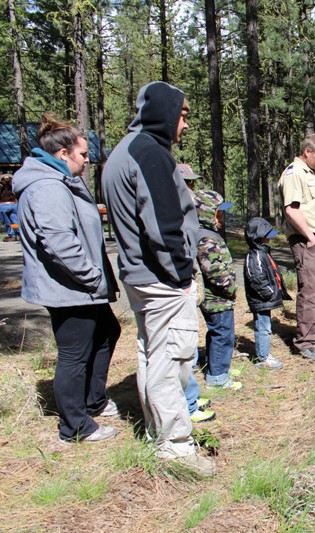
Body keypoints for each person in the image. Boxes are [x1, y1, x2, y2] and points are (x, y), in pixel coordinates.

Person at [102, 81, 215, 476]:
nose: (185, 124)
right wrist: (182, 276)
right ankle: (176, 449)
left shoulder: (123, 152)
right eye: (183, 115)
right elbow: (164, 228)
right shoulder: (149, 154)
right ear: (165, 112)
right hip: (161, 280)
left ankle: (157, 433)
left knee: (153, 355)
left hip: (142, 275)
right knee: (174, 359)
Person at [13, 113, 120, 443]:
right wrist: (91, 277)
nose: (88, 161)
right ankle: (74, 426)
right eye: (84, 155)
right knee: (74, 353)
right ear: (63, 154)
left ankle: (92, 401)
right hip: (69, 288)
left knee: (107, 331)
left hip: (79, 287)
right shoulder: (46, 186)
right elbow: (58, 242)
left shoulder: (60, 181)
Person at [277, 133, 315, 362]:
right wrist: (310, 237)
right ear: (307, 151)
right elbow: (291, 210)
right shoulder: (294, 173)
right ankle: (304, 342)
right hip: (306, 240)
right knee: (310, 290)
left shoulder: (313, 173)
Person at [176, 163, 215, 424]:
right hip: (178, 277)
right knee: (181, 344)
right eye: (187, 183)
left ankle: (189, 393)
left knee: (189, 341)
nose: (192, 188)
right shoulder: (175, 206)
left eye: (193, 183)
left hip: (188, 273)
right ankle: (186, 401)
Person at [195, 190, 241, 390]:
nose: (221, 218)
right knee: (222, 334)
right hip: (217, 299)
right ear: (206, 213)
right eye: (217, 213)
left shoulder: (210, 235)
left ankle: (220, 366)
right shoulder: (206, 239)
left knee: (221, 333)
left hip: (221, 298)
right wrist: (230, 288)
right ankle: (217, 377)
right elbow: (213, 271)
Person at [244, 217, 291, 369]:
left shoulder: (263, 252)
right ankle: (263, 358)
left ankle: (264, 354)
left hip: (265, 300)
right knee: (263, 328)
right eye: (267, 234)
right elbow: (256, 279)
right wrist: (269, 293)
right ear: (258, 236)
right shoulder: (255, 256)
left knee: (266, 327)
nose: (270, 238)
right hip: (261, 300)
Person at [1, 174, 20, 242]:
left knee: (7, 222)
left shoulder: (1, 188)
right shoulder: (14, 187)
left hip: (3, 205)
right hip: (14, 204)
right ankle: (19, 234)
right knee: (15, 221)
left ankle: (12, 235)